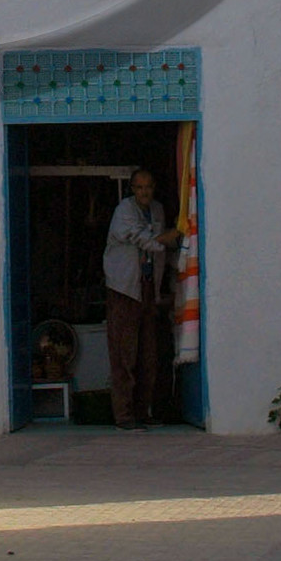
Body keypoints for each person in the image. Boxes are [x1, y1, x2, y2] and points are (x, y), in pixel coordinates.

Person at [104, 168, 169, 427]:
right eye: (139, 187)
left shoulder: (157, 210)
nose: (144, 192)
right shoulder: (124, 211)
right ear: (132, 188)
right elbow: (145, 240)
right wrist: (171, 237)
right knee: (124, 354)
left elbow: (158, 248)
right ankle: (124, 415)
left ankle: (144, 412)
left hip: (148, 288)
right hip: (124, 289)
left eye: (148, 187)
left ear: (154, 187)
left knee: (148, 355)